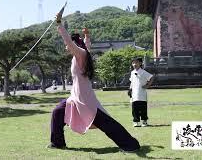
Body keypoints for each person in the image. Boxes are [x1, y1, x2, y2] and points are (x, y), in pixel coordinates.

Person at [47, 13, 140, 152]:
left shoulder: (81, 54)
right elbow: (86, 45)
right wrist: (87, 36)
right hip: (75, 98)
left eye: (69, 45)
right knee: (58, 112)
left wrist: (59, 23)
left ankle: (130, 144)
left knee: (106, 123)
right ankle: (58, 142)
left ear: (75, 44)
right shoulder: (82, 53)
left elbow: (68, 41)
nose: (66, 47)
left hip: (84, 99)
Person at [128, 57, 154, 127]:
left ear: (140, 63)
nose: (134, 64)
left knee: (143, 109)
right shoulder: (132, 72)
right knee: (134, 109)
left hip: (142, 94)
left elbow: (151, 77)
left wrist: (147, 85)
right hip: (134, 94)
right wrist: (130, 89)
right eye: (133, 63)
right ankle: (136, 122)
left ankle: (144, 122)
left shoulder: (143, 72)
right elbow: (132, 82)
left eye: (136, 62)